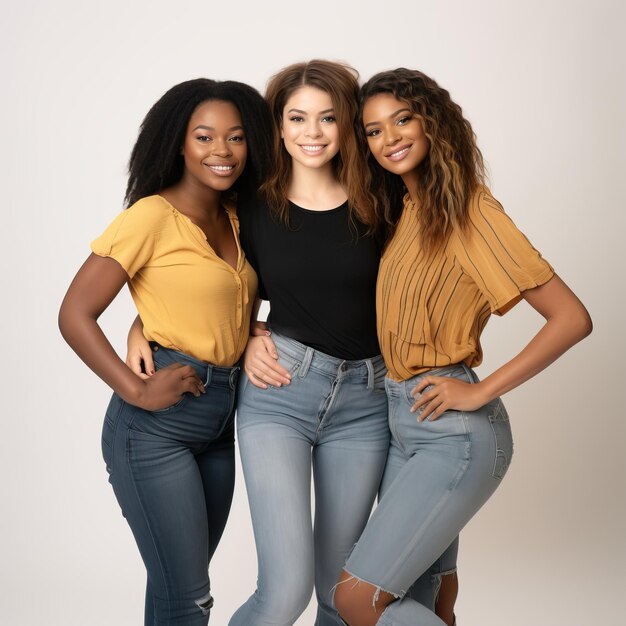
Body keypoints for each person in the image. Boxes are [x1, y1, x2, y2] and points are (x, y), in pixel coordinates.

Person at [333, 68, 593, 626]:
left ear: (433, 123)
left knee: (357, 600)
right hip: (402, 423)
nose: (390, 138)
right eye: (373, 130)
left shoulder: (470, 210)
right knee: (429, 600)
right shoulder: (404, 210)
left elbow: (571, 318)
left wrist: (480, 393)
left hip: (455, 436)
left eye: (402, 119)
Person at [58, 78, 272, 626]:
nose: (221, 151)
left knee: (179, 584)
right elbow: (74, 313)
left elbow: (212, 295)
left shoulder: (238, 217)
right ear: (179, 143)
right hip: (156, 429)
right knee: (190, 596)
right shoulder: (150, 216)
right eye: (204, 136)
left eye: (236, 137)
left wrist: (144, 323)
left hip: (224, 422)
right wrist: (136, 388)